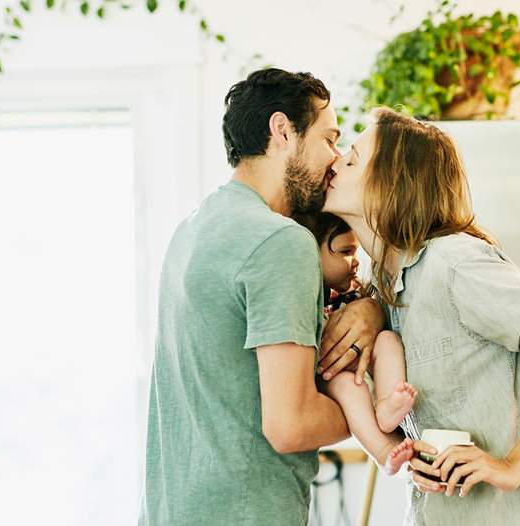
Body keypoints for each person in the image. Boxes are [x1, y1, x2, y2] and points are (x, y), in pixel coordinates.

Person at [321, 107, 520, 525]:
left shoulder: (453, 263)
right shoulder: (386, 289)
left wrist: (511, 465)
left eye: (351, 160)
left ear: (391, 186)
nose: (336, 163)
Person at [138, 69, 385, 526]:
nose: (334, 159)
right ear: (282, 131)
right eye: (329, 139)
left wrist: (369, 308)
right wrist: (370, 406)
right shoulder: (279, 242)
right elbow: (291, 426)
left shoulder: (192, 229)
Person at [301, 212, 417, 475]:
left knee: (388, 340)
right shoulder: (309, 297)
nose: (355, 262)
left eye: (355, 251)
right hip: (336, 374)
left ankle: (388, 404)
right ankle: (383, 451)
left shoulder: (358, 290)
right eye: (345, 252)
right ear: (311, 255)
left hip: (367, 366)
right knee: (348, 387)